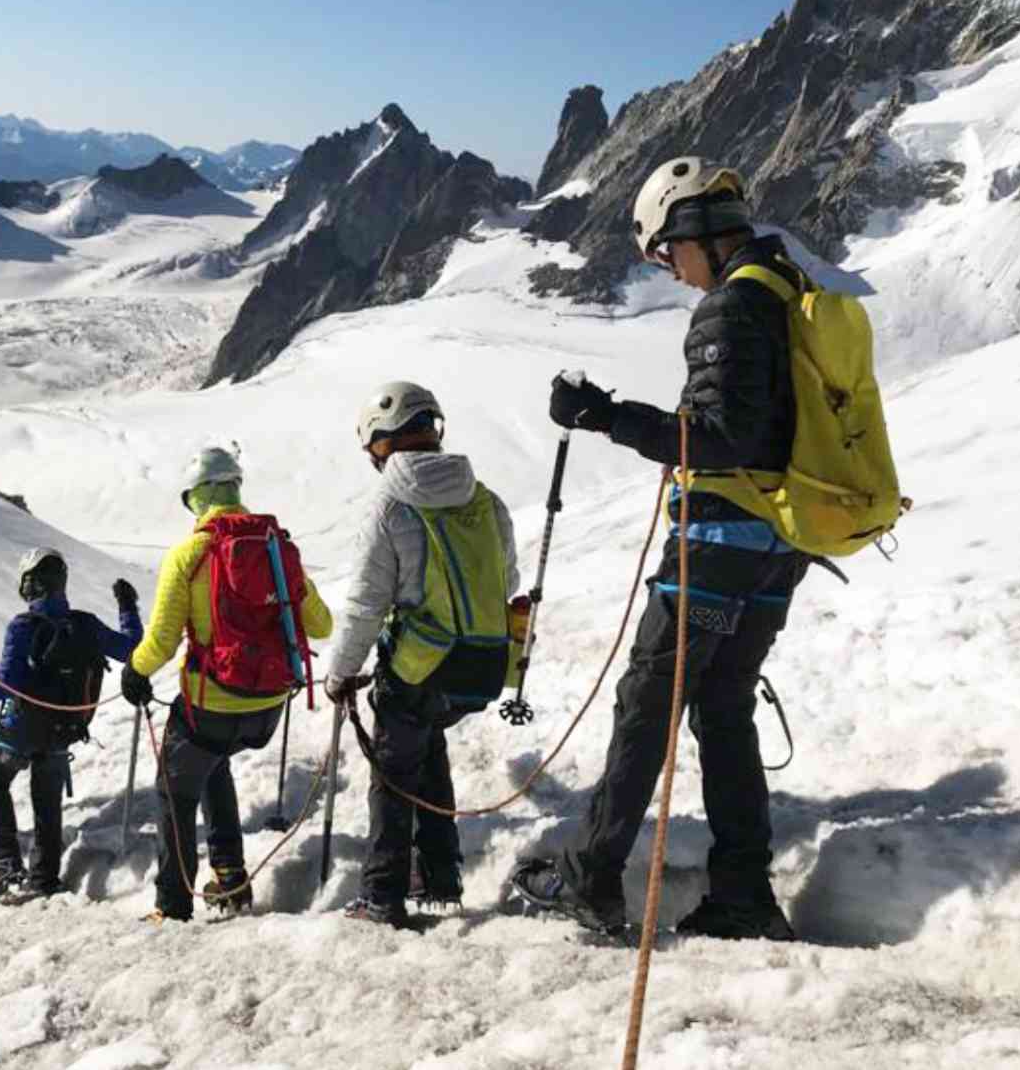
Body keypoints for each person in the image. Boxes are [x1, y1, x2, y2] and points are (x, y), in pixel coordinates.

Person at [512, 156, 811, 942]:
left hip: (717, 546)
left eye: (665, 252)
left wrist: (603, 415)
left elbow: (718, 438)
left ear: (693, 232)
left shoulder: (734, 306)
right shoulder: (789, 291)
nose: (669, 271)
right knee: (723, 708)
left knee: (648, 702)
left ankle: (590, 877)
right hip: (780, 547)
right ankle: (743, 891)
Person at [324, 383, 521, 926]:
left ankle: (381, 894)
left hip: (419, 665)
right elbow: (508, 579)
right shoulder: (486, 499)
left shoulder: (391, 507)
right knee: (426, 744)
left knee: (392, 769)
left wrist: (340, 673)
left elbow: (367, 603)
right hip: (482, 666)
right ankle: (440, 874)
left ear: (382, 443)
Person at [118, 445, 334, 923]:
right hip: (269, 705)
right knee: (213, 766)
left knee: (174, 791)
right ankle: (231, 879)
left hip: (212, 703)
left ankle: (171, 905)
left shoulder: (189, 554)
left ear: (196, 497)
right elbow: (321, 625)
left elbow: (162, 640)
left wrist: (135, 670)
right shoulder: (277, 546)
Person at [0, 548, 140, 903]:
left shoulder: (24, 626)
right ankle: (44, 878)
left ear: (29, 585)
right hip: (64, 730)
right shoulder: (86, 624)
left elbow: (6, 684)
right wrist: (127, 607)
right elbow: (132, 649)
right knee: (47, 802)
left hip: (20, 729)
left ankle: (5, 860)